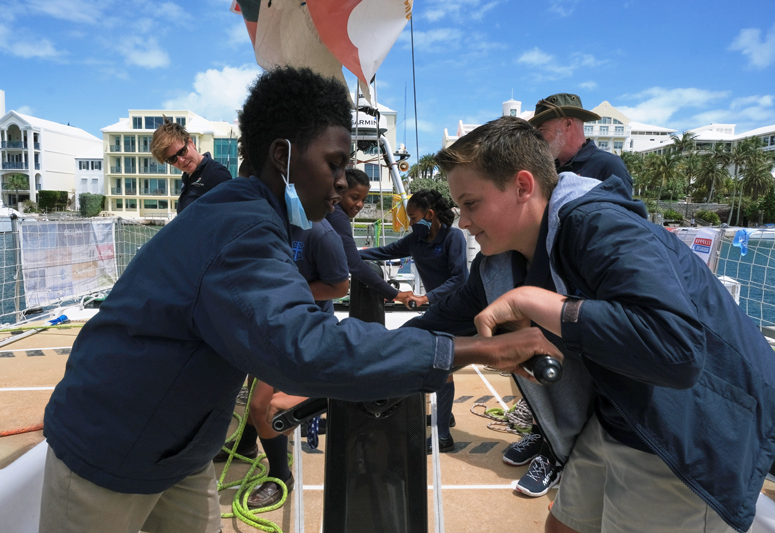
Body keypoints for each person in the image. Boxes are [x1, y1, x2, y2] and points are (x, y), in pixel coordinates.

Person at [38, 67, 562, 533]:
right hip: (111, 446)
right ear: (282, 156)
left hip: (180, 449)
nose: (340, 183)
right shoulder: (242, 230)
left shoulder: (249, 213)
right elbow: (304, 348)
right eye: (333, 163)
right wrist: (476, 350)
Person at [406, 115, 774, 533]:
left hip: (687, 427)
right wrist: (368, 356)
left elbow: (678, 349)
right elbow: (439, 320)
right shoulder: (497, 266)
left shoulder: (600, 226)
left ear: (523, 186)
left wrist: (541, 304)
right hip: (618, 412)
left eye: (471, 204)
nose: (463, 222)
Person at [506, 92, 635, 497]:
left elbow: (622, 235)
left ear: (568, 125)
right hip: (545, 291)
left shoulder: (606, 166)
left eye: (543, 128)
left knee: (582, 383)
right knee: (543, 371)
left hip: (584, 300)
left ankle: (559, 456)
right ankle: (543, 434)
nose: (539, 137)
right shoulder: (548, 170)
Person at [246, 218, 349, 509]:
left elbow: (339, 286)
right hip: (269, 323)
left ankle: (281, 475)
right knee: (253, 391)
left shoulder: (321, 234)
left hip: (301, 329)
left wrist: (289, 290)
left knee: (262, 405)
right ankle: (245, 443)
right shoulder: (265, 222)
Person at [359, 189, 468, 453]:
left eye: (413, 217)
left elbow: (459, 278)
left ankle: (443, 436)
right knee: (407, 342)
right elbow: (383, 252)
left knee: (440, 364)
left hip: (460, 312)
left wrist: (425, 298)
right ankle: (445, 418)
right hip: (438, 312)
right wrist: (347, 254)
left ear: (429, 214)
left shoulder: (453, 237)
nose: (410, 222)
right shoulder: (416, 240)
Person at [325, 168, 412, 304]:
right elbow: (354, 263)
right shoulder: (338, 217)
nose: (360, 204)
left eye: (363, 200)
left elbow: (350, 256)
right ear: (339, 192)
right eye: (354, 198)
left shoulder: (328, 212)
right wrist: (395, 294)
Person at [529, 93, 633, 195]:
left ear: (568, 124)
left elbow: (622, 206)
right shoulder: (545, 167)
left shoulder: (608, 165)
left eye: (542, 130)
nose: (537, 138)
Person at [150, 118, 233, 214]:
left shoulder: (217, 174)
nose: (181, 160)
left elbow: (231, 216)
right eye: (172, 159)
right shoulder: (187, 175)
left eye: (182, 151)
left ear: (191, 143)